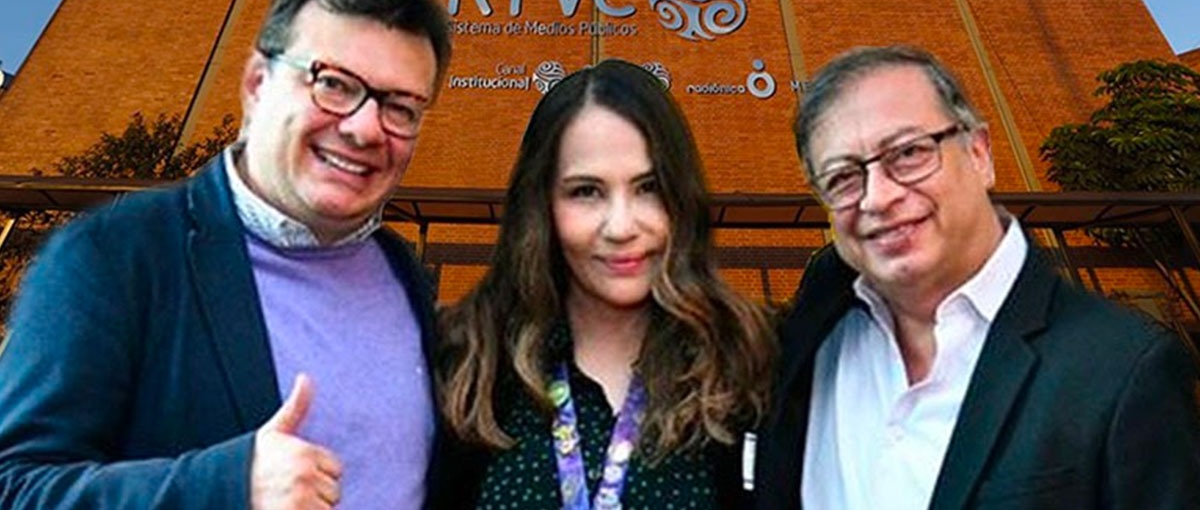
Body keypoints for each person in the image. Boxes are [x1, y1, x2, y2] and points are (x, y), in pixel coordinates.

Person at [0, 0, 452, 509]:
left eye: (401, 107)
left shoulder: (400, 269)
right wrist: (225, 486)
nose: (365, 128)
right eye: (334, 84)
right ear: (258, 83)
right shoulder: (113, 255)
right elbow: (15, 486)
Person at [752, 45, 1200, 509]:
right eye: (842, 178)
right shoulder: (803, 346)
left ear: (979, 153)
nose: (877, 198)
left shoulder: (1121, 366)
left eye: (908, 153)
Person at [436, 59, 775, 509]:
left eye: (648, 187)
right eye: (586, 191)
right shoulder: (469, 359)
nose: (620, 227)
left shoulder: (747, 358)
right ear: (542, 206)